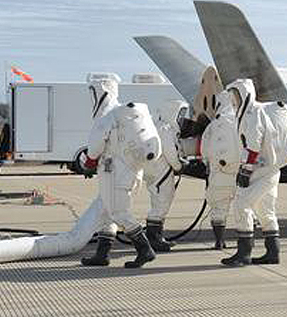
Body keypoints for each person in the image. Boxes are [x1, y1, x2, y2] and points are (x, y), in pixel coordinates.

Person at [79, 75, 162, 268]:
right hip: (131, 170)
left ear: (101, 92)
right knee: (107, 212)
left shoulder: (108, 116)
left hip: (114, 172)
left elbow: (95, 144)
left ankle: (144, 249)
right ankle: (102, 254)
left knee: (118, 212)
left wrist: (90, 163)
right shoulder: (124, 114)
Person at [221, 79, 287, 267]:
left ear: (245, 95)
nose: (234, 101)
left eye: (235, 96)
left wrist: (245, 171)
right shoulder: (260, 111)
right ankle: (273, 252)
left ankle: (243, 253)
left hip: (260, 171)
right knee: (266, 210)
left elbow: (253, 145)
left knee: (242, 205)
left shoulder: (252, 114)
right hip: (272, 169)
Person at [142, 100, 189, 252]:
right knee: (162, 202)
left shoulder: (156, 126)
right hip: (161, 171)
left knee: (158, 202)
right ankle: (155, 239)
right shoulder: (165, 129)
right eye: (180, 113)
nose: (181, 117)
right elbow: (170, 152)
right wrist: (179, 166)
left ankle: (155, 237)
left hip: (154, 171)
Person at [196, 90, 242, 250]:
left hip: (218, 174)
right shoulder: (240, 122)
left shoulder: (212, 126)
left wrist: (209, 164)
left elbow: (204, 150)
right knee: (243, 207)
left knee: (218, 208)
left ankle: (219, 241)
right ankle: (244, 244)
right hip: (238, 174)